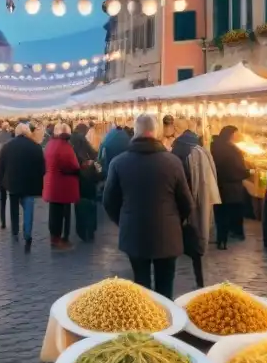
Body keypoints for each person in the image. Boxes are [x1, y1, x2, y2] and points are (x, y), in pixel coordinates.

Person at [104, 114, 193, 298]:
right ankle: (167, 323)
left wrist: (124, 220)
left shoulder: (119, 162)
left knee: (141, 285)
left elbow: (109, 201)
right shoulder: (173, 162)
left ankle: (145, 324)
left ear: (135, 133)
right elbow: (186, 202)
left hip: (134, 233)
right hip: (167, 234)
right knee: (165, 286)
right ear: (156, 132)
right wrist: (175, 221)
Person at [171, 119, 220, 288]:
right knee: (196, 247)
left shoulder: (178, 153)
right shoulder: (199, 152)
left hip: (176, 214)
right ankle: (198, 280)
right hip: (193, 206)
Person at [0, 122, 45, 252]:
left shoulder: (7, 146)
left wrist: (1, 181)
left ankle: (15, 231)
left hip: (12, 183)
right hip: (30, 183)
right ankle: (27, 234)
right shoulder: (36, 147)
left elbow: (0, 165)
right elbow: (42, 167)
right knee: (28, 207)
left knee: (13, 208)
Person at [210, 125, 251, 249]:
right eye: (236, 134)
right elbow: (236, 168)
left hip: (219, 186)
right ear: (231, 134)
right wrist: (246, 172)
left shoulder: (215, 147)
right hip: (231, 187)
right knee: (231, 212)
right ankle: (232, 235)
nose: (238, 136)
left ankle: (221, 239)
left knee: (221, 213)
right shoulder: (230, 149)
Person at [43, 123, 80, 249]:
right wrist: (81, 169)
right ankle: (59, 239)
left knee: (54, 212)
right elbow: (72, 165)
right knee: (61, 214)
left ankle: (55, 237)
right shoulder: (64, 147)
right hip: (62, 185)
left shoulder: (50, 144)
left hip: (52, 183)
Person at [70, 123, 100, 241]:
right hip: (86, 174)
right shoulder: (82, 139)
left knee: (79, 204)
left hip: (76, 177)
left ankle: (81, 230)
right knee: (91, 203)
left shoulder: (70, 138)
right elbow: (93, 153)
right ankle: (91, 229)